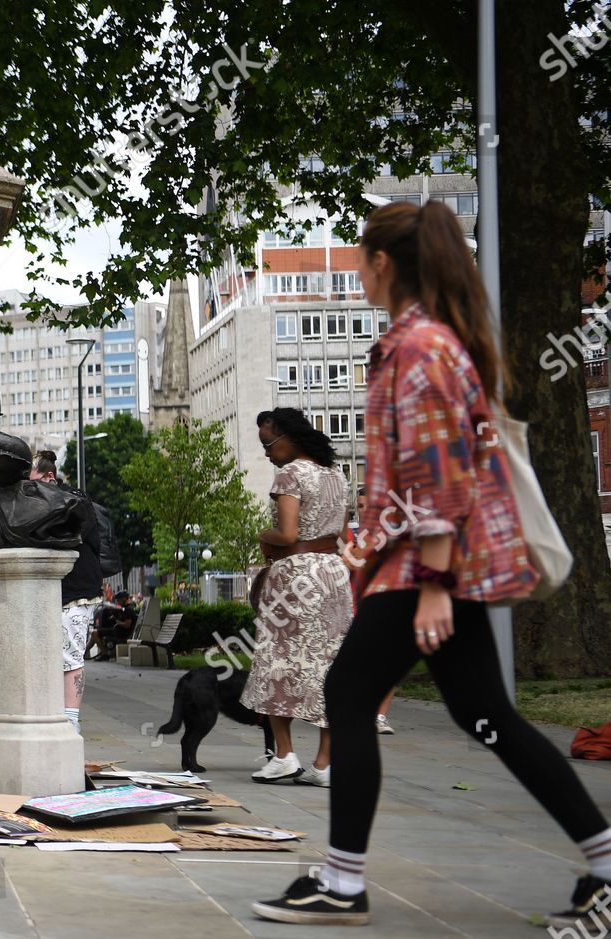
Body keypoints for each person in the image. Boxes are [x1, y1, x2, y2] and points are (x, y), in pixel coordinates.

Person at [253, 201, 611, 930]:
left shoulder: (418, 347)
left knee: (350, 693)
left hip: (430, 565)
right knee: (487, 716)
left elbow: (441, 470)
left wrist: (437, 582)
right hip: (426, 561)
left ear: (384, 263)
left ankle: (342, 883)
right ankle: (605, 865)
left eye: (361, 257)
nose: (359, 269)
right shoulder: (434, 341)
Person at [245, 408, 351, 787]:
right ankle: (324, 764)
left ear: (289, 437)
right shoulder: (336, 476)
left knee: (277, 660)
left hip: (297, 577)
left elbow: (288, 535)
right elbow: (340, 535)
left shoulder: (290, 474)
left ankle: (285, 756)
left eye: (268, 444)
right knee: (331, 665)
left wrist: (263, 535)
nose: (268, 453)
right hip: (333, 575)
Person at [27, 451, 102, 735]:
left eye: (31, 482)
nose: (27, 489)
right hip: (58, 590)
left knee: (70, 655)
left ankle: (71, 723)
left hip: (75, 591)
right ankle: (61, 716)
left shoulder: (73, 501)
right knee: (57, 654)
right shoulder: (47, 500)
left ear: (48, 477)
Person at [346, 487, 397, 736]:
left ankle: (379, 715)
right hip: (355, 605)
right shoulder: (352, 533)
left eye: (370, 506)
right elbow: (347, 562)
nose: (364, 511)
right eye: (361, 506)